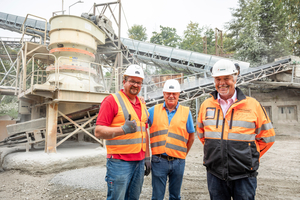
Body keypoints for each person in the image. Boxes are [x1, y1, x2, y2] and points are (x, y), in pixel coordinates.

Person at [196, 59, 275, 200]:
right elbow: (203, 135)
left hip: (244, 176)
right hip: (215, 174)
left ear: (235, 78)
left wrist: (249, 156)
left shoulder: (253, 105)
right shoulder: (206, 105)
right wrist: (220, 152)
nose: (222, 83)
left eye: (227, 78)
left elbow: (268, 137)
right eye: (218, 79)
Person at [95, 64, 151, 200]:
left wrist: (147, 157)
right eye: (132, 81)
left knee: (133, 198)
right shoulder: (111, 101)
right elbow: (98, 131)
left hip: (139, 162)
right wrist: (123, 130)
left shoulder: (141, 103)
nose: (135, 85)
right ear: (124, 81)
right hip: (120, 162)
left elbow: (145, 131)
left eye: (138, 82)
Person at [148, 79, 195, 200]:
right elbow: (140, 121)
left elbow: (191, 136)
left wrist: (183, 154)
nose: (171, 96)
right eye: (168, 93)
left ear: (179, 94)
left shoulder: (186, 112)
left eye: (174, 93)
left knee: (175, 196)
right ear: (163, 94)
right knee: (157, 196)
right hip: (159, 160)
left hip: (178, 161)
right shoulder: (153, 111)